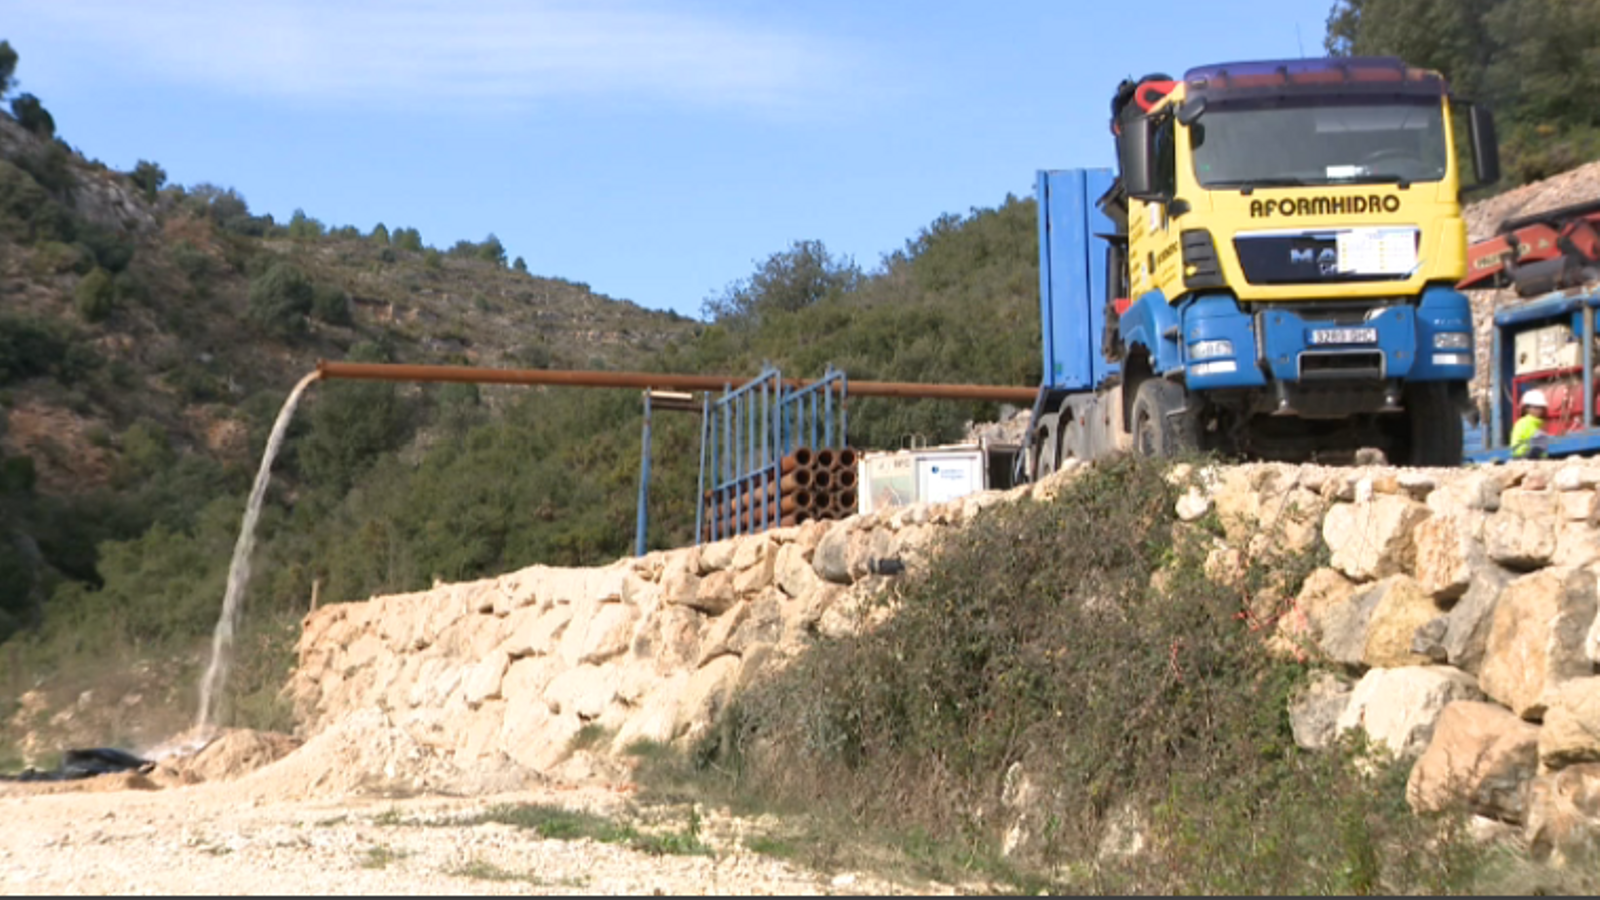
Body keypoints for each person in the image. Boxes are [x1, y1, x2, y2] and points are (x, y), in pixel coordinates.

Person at [1510, 389, 1551, 459]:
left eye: (1540, 408)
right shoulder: (1525, 423)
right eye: (1536, 407)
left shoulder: (1535, 423)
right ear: (1527, 408)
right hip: (1525, 456)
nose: (1538, 410)